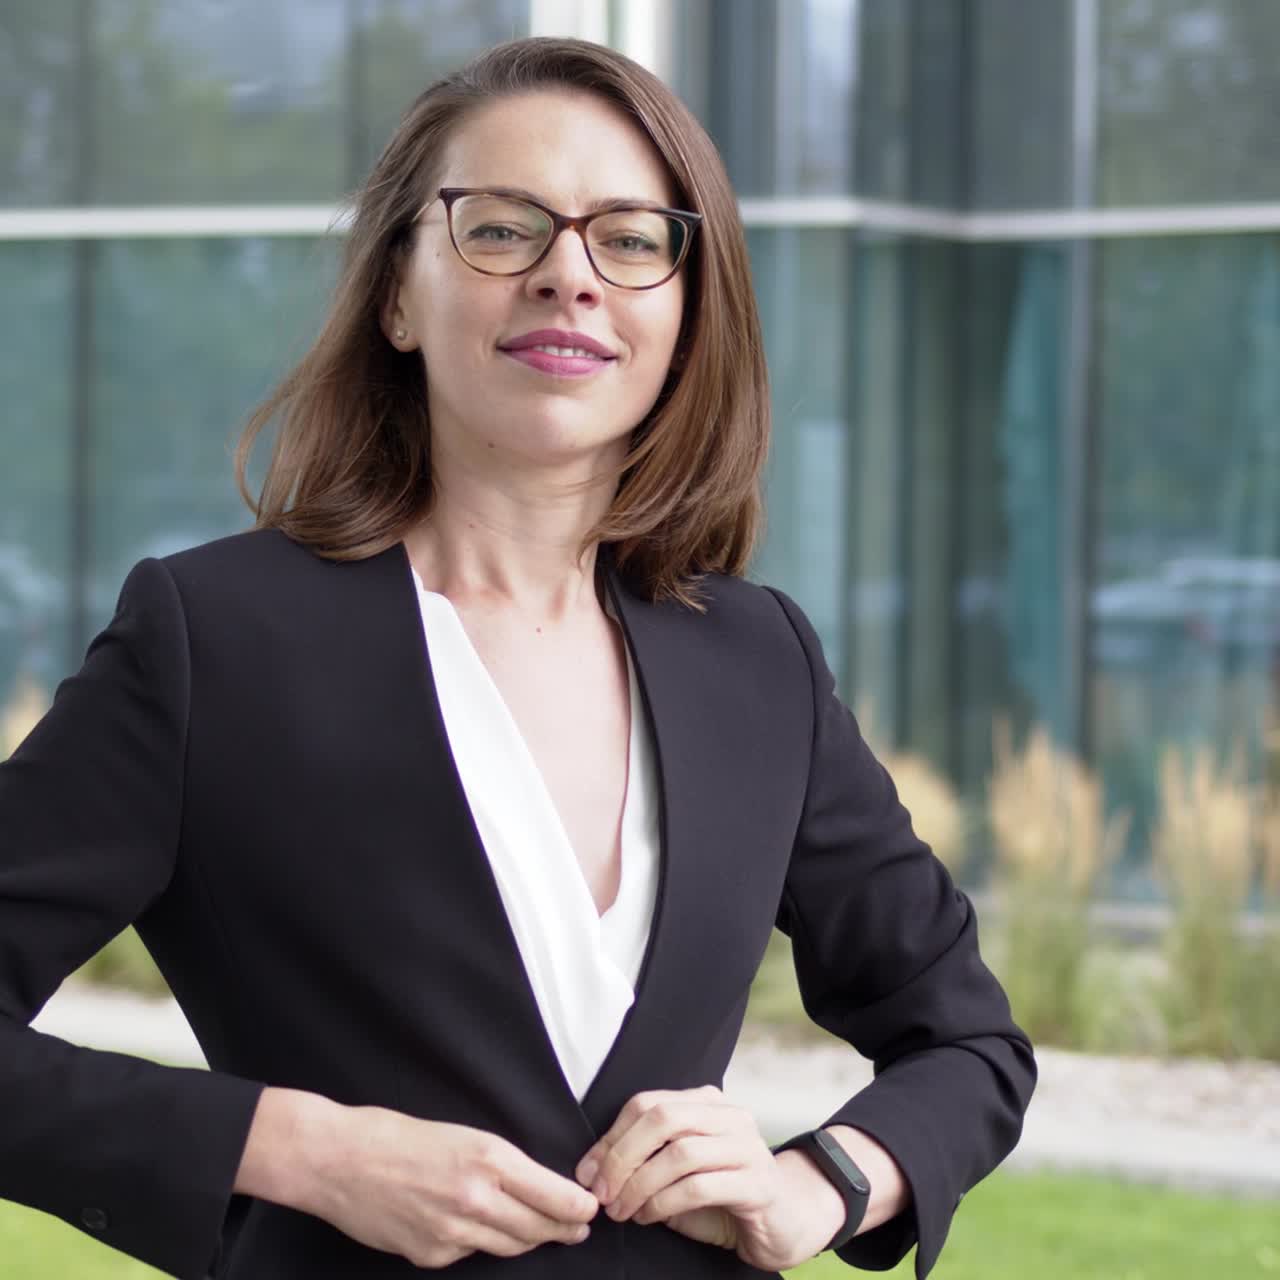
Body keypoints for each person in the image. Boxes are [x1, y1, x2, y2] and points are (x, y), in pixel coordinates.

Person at [0, 36, 1034, 1280]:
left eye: (632, 239)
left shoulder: (756, 658)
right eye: (501, 229)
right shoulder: (212, 639)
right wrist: (292, 1146)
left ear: (687, 308)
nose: (569, 278)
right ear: (396, 294)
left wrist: (821, 1180)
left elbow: (966, 1040)